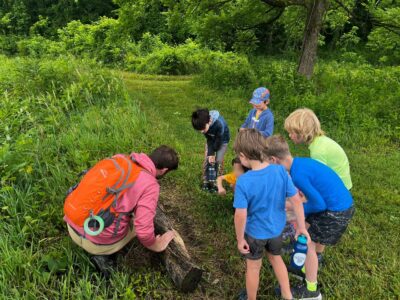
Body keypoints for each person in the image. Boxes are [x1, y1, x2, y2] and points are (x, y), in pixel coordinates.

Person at [64, 146, 179, 278]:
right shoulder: (150, 185)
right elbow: (143, 229)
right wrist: (154, 244)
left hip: (73, 222)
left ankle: (97, 246)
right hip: (94, 242)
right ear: (164, 170)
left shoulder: (119, 159)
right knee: (136, 226)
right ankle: (103, 256)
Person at [265, 135, 355, 300]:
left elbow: (318, 205)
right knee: (303, 229)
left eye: (268, 164)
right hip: (339, 205)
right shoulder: (299, 164)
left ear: (274, 159)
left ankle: (312, 290)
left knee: (308, 244)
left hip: (336, 212)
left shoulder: (298, 174)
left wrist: (295, 208)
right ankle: (305, 268)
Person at [233, 129, 309, 300]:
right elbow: (296, 200)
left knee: (253, 267)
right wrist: (302, 227)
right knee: (276, 258)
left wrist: (240, 240)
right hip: (277, 230)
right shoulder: (280, 171)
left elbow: (240, 215)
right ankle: (287, 295)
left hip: (255, 234)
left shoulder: (243, 181)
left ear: (243, 156)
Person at [284, 108, 352, 262]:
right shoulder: (319, 142)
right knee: (314, 213)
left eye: (292, 132)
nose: (290, 135)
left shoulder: (318, 151)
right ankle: (314, 249)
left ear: (302, 132)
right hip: (339, 186)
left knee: (314, 212)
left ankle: (311, 249)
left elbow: (315, 181)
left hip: (336, 190)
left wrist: (298, 204)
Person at [191, 108, 230, 192]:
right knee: (207, 159)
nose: (202, 132)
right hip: (212, 140)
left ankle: (216, 182)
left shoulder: (219, 124)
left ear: (209, 121)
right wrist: (210, 153)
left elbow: (219, 141)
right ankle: (206, 181)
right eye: (199, 130)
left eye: (203, 129)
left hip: (222, 141)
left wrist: (214, 154)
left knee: (218, 160)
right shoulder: (204, 126)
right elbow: (209, 140)